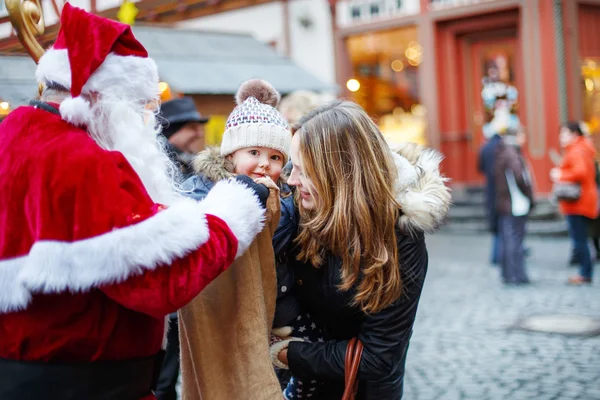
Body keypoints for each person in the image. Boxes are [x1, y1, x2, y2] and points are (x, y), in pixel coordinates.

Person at [0, 5, 267, 399]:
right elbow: (159, 282)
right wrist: (232, 212)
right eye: (140, 107)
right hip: (90, 384)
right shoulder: (82, 160)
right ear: (102, 96)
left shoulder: (13, 135)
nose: (146, 122)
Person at [270, 101, 451, 399]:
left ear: (338, 174)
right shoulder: (301, 206)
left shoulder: (400, 233)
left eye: (303, 171)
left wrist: (289, 354)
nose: (291, 179)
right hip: (301, 386)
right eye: (293, 167)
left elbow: (378, 356)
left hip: (362, 391)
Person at [177, 79, 295, 399]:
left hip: (270, 320)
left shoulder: (284, 198)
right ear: (232, 154)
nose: (264, 164)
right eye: (254, 152)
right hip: (222, 316)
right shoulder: (206, 192)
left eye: (275, 157)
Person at [551, 122, 599, 285]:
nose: (561, 137)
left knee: (579, 239)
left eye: (564, 133)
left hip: (578, 202)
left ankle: (585, 273)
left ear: (574, 134)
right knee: (581, 238)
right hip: (581, 200)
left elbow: (580, 172)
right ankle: (585, 272)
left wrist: (560, 174)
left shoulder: (577, 150)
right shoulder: (580, 148)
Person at [494, 129, 534, 284]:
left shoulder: (501, 152)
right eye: (522, 134)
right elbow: (520, 177)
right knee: (515, 241)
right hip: (516, 203)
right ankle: (516, 275)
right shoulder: (512, 154)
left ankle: (508, 274)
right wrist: (529, 195)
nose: (524, 137)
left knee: (508, 239)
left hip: (506, 202)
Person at [159, 96, 209, 180]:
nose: (200, 134)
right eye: (192, 127)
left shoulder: (186, 163)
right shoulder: (159, 167)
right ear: (172, 131)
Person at [478, 110, 504, 265]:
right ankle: (501, 255)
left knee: (495, 223)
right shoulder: (503, 147)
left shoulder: (485, 148)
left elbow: (480, 168)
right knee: (504, 223)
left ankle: (495, 255)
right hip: (503, 189)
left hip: (490, 187)